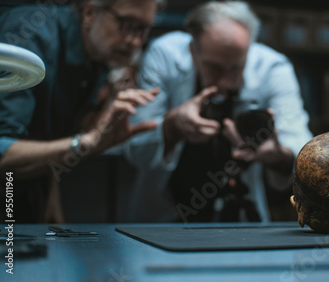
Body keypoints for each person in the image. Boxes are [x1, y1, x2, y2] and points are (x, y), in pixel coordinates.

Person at [123, 1, 313, 222]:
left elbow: (302, 150)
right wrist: (173, 126)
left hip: (241, 219)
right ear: (193, 51)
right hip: (162, 216)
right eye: (214, 68)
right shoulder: (164, 55)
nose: (227, 83)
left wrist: (279, 156)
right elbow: (136, 149)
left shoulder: (273, 69)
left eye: (237, 67)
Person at [0, 0, 164, 223]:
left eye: (143, 30)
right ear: (89, 12)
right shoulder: (28, 33)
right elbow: (3, 153)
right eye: (127, 24)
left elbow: (47, 134)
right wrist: (85, 143)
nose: (135, 41)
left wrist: (50, 190)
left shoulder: (98, 57)